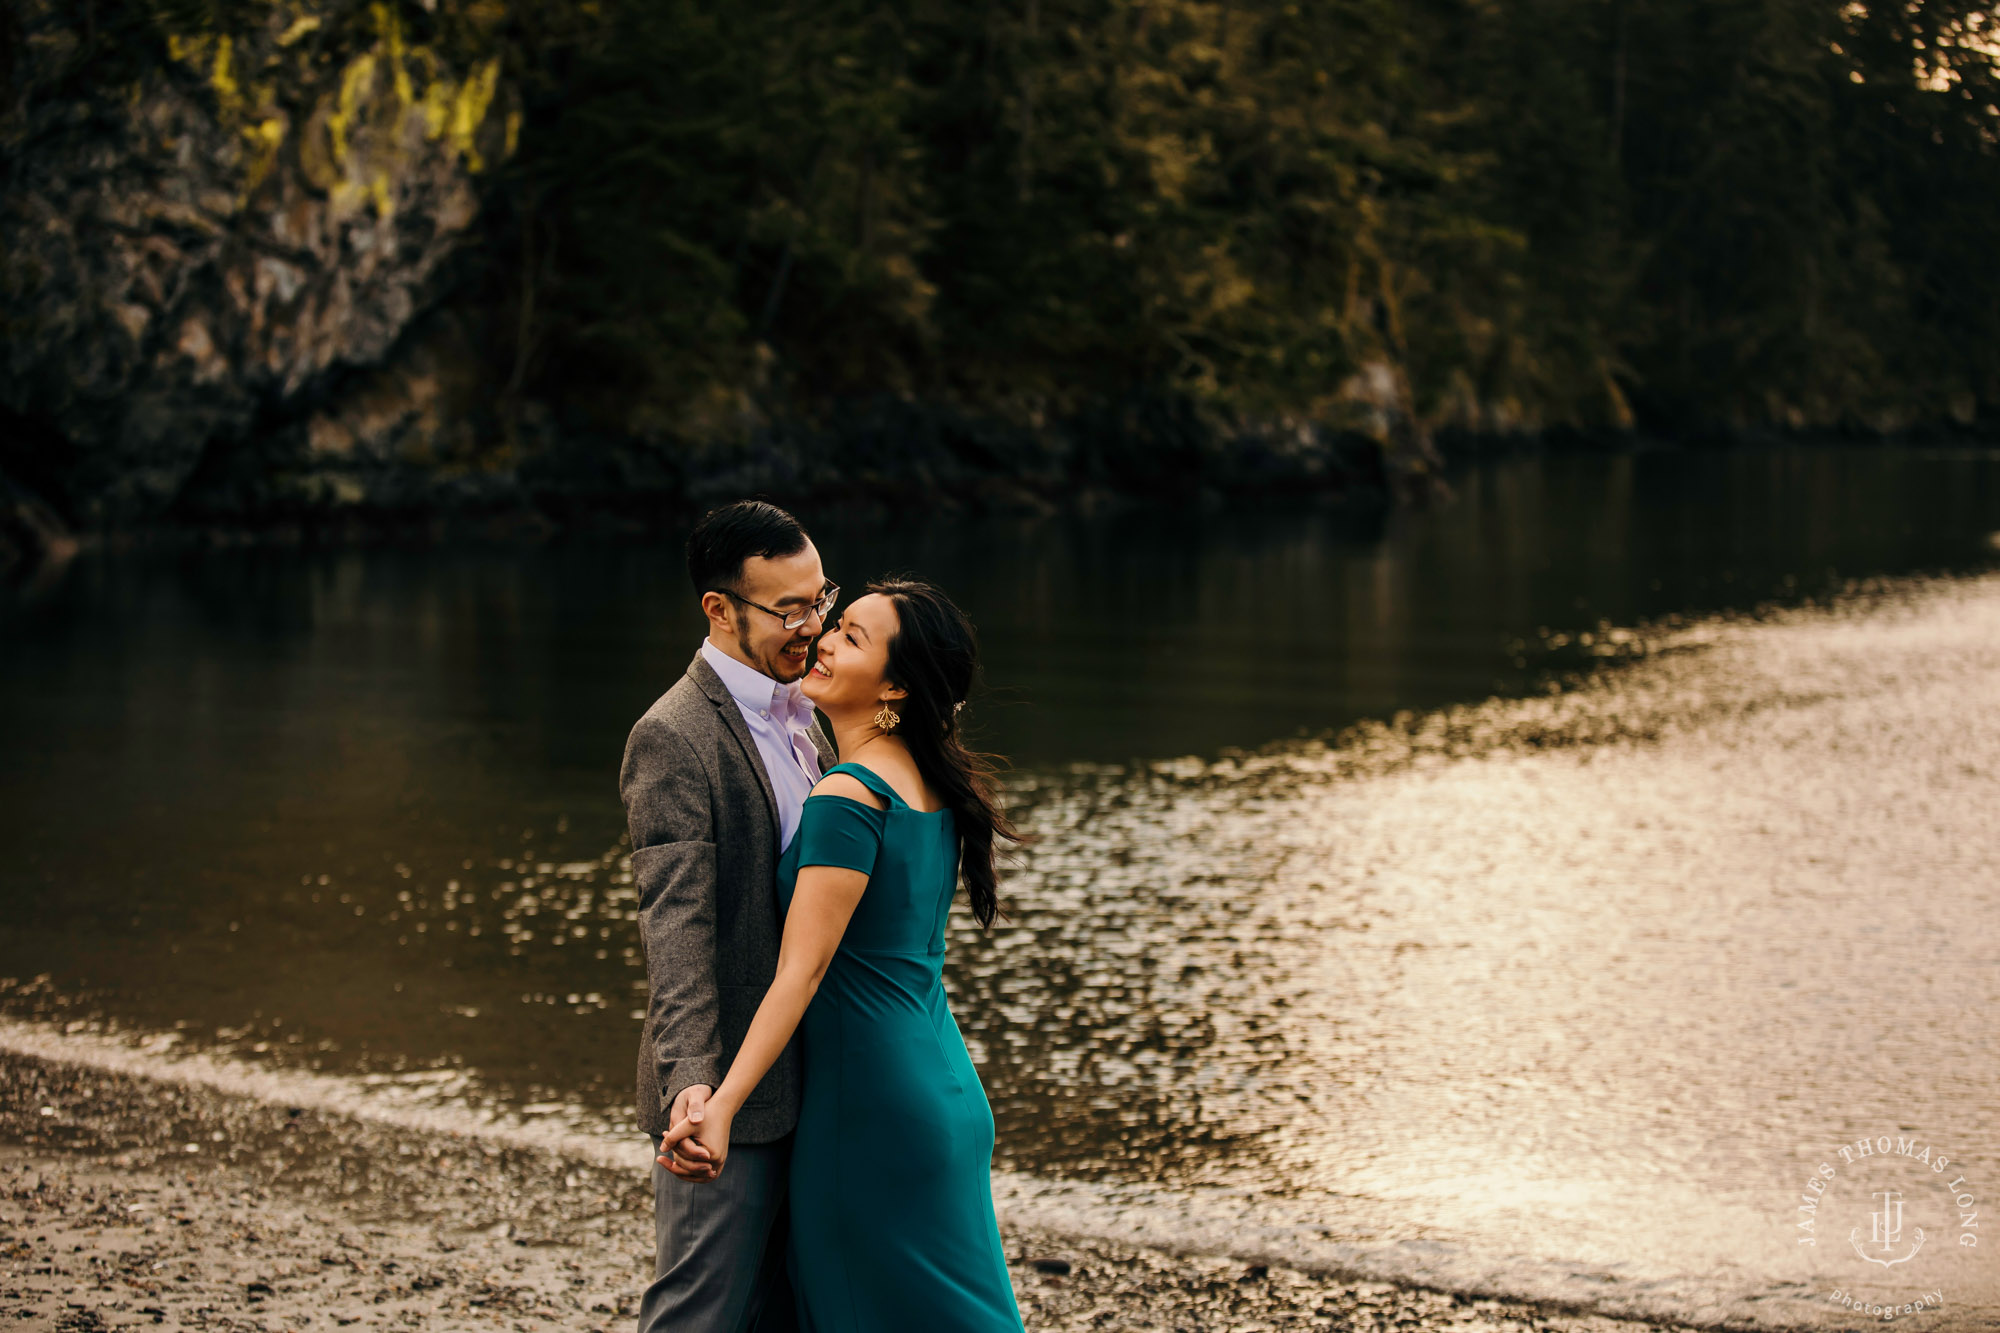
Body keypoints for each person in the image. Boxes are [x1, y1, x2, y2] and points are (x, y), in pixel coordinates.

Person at [658, 577, 1028, 1332]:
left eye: (851, 637)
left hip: (869, 1106)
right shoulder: (929, 785)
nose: (822, 639)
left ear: (893, 684)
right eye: (837, 624)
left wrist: (722, 1103)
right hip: (946, 1091)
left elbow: (803, 972)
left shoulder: (846, 797)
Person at [619, 500, 840, 1333]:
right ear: (718, 609)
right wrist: (693, 1087)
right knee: (698, 1316)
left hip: (821, 1083)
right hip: (729, 1104)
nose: (813, 625)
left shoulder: (810, 718)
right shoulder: (673, 736)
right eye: (789, 609)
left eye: (821, 599)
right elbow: (675, 929)